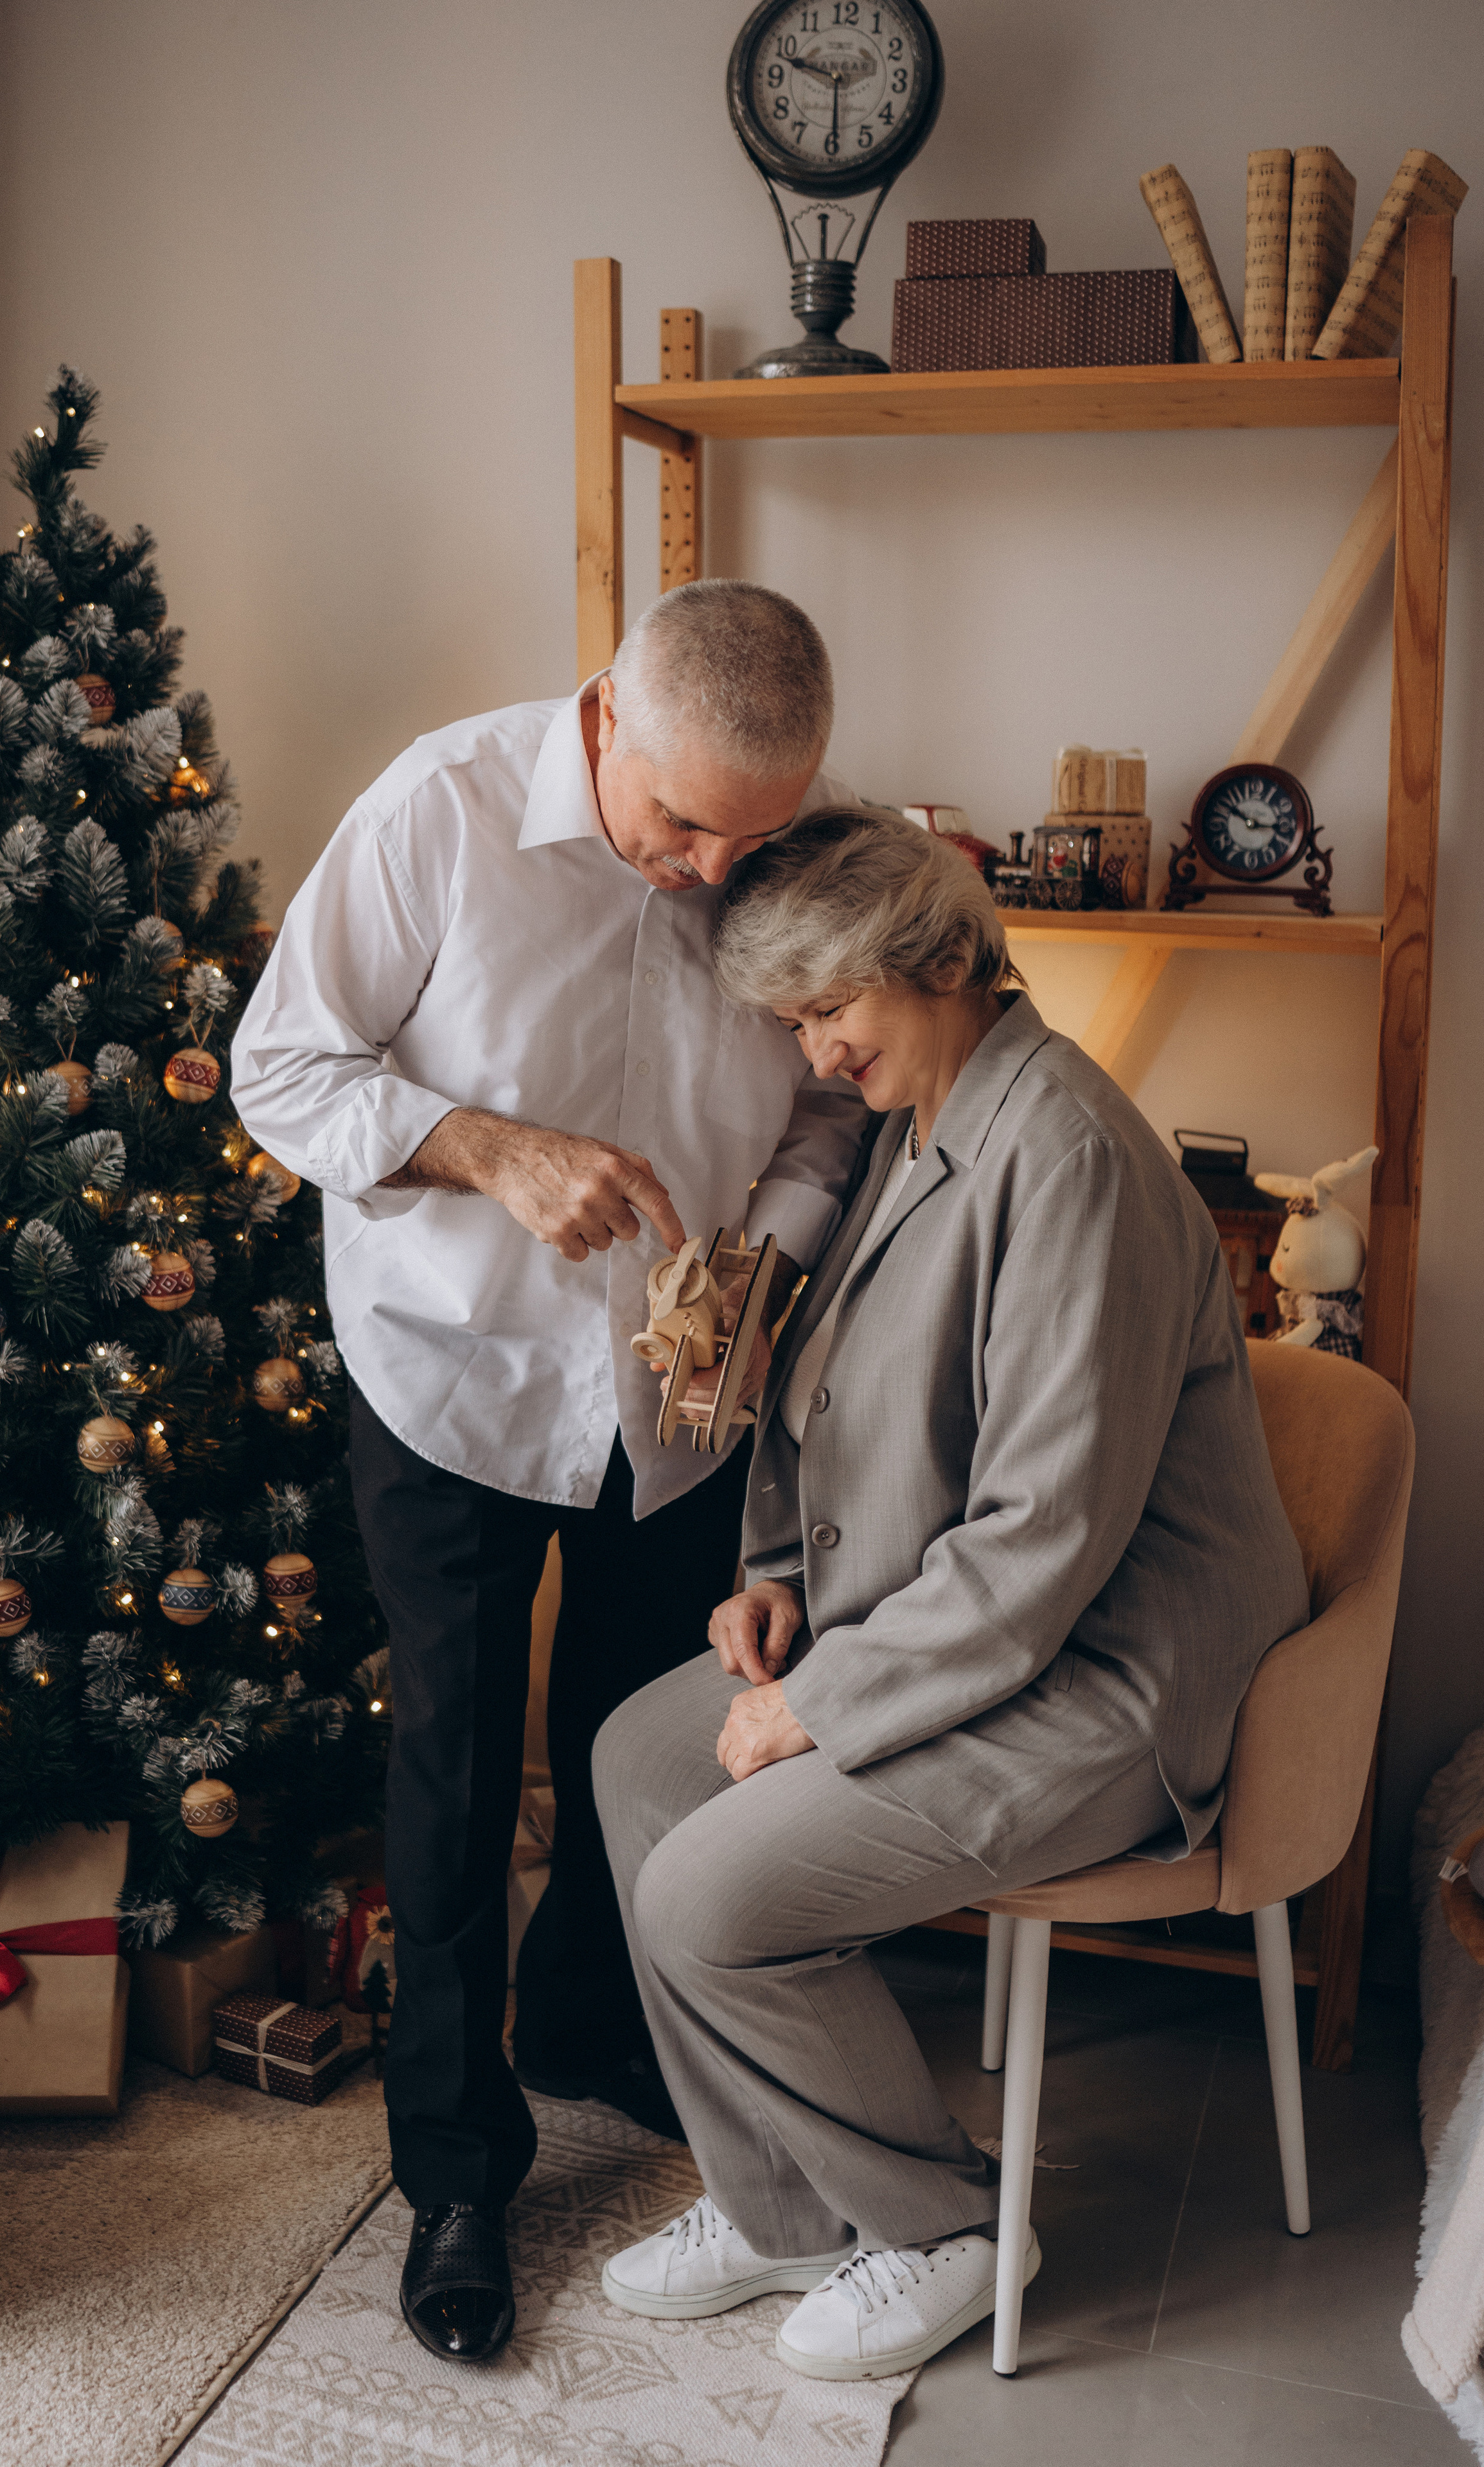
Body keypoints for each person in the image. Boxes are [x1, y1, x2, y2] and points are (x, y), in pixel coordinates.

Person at [229, 583, 865, 2364]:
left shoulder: (777, 840)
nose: (712, 871)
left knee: (635, 1748)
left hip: (676, 1396)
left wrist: (767, 1261)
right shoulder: (436, 812)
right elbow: (277, 1067)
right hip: (451, 1376)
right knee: (448, 1770)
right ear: (605, 718)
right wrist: (478, 1146)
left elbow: (830, 1104)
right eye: (680, 826)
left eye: (752, 836)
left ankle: (586, 2028)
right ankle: (454, 2168)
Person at [594, 808, 1309, 2383]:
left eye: (824, 1011)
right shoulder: (919, 1123)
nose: (813, 1051)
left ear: (931, 961)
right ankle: (780, 2207)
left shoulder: (1066, 1157)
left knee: (707, 1904)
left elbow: (1038, 1542)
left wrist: (816, 1708)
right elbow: (831, 1405)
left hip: (1102, 1684)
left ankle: (945, 2228)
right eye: (790, 1022)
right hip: (955, 1633)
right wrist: (773, 1589)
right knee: (633, 1761)